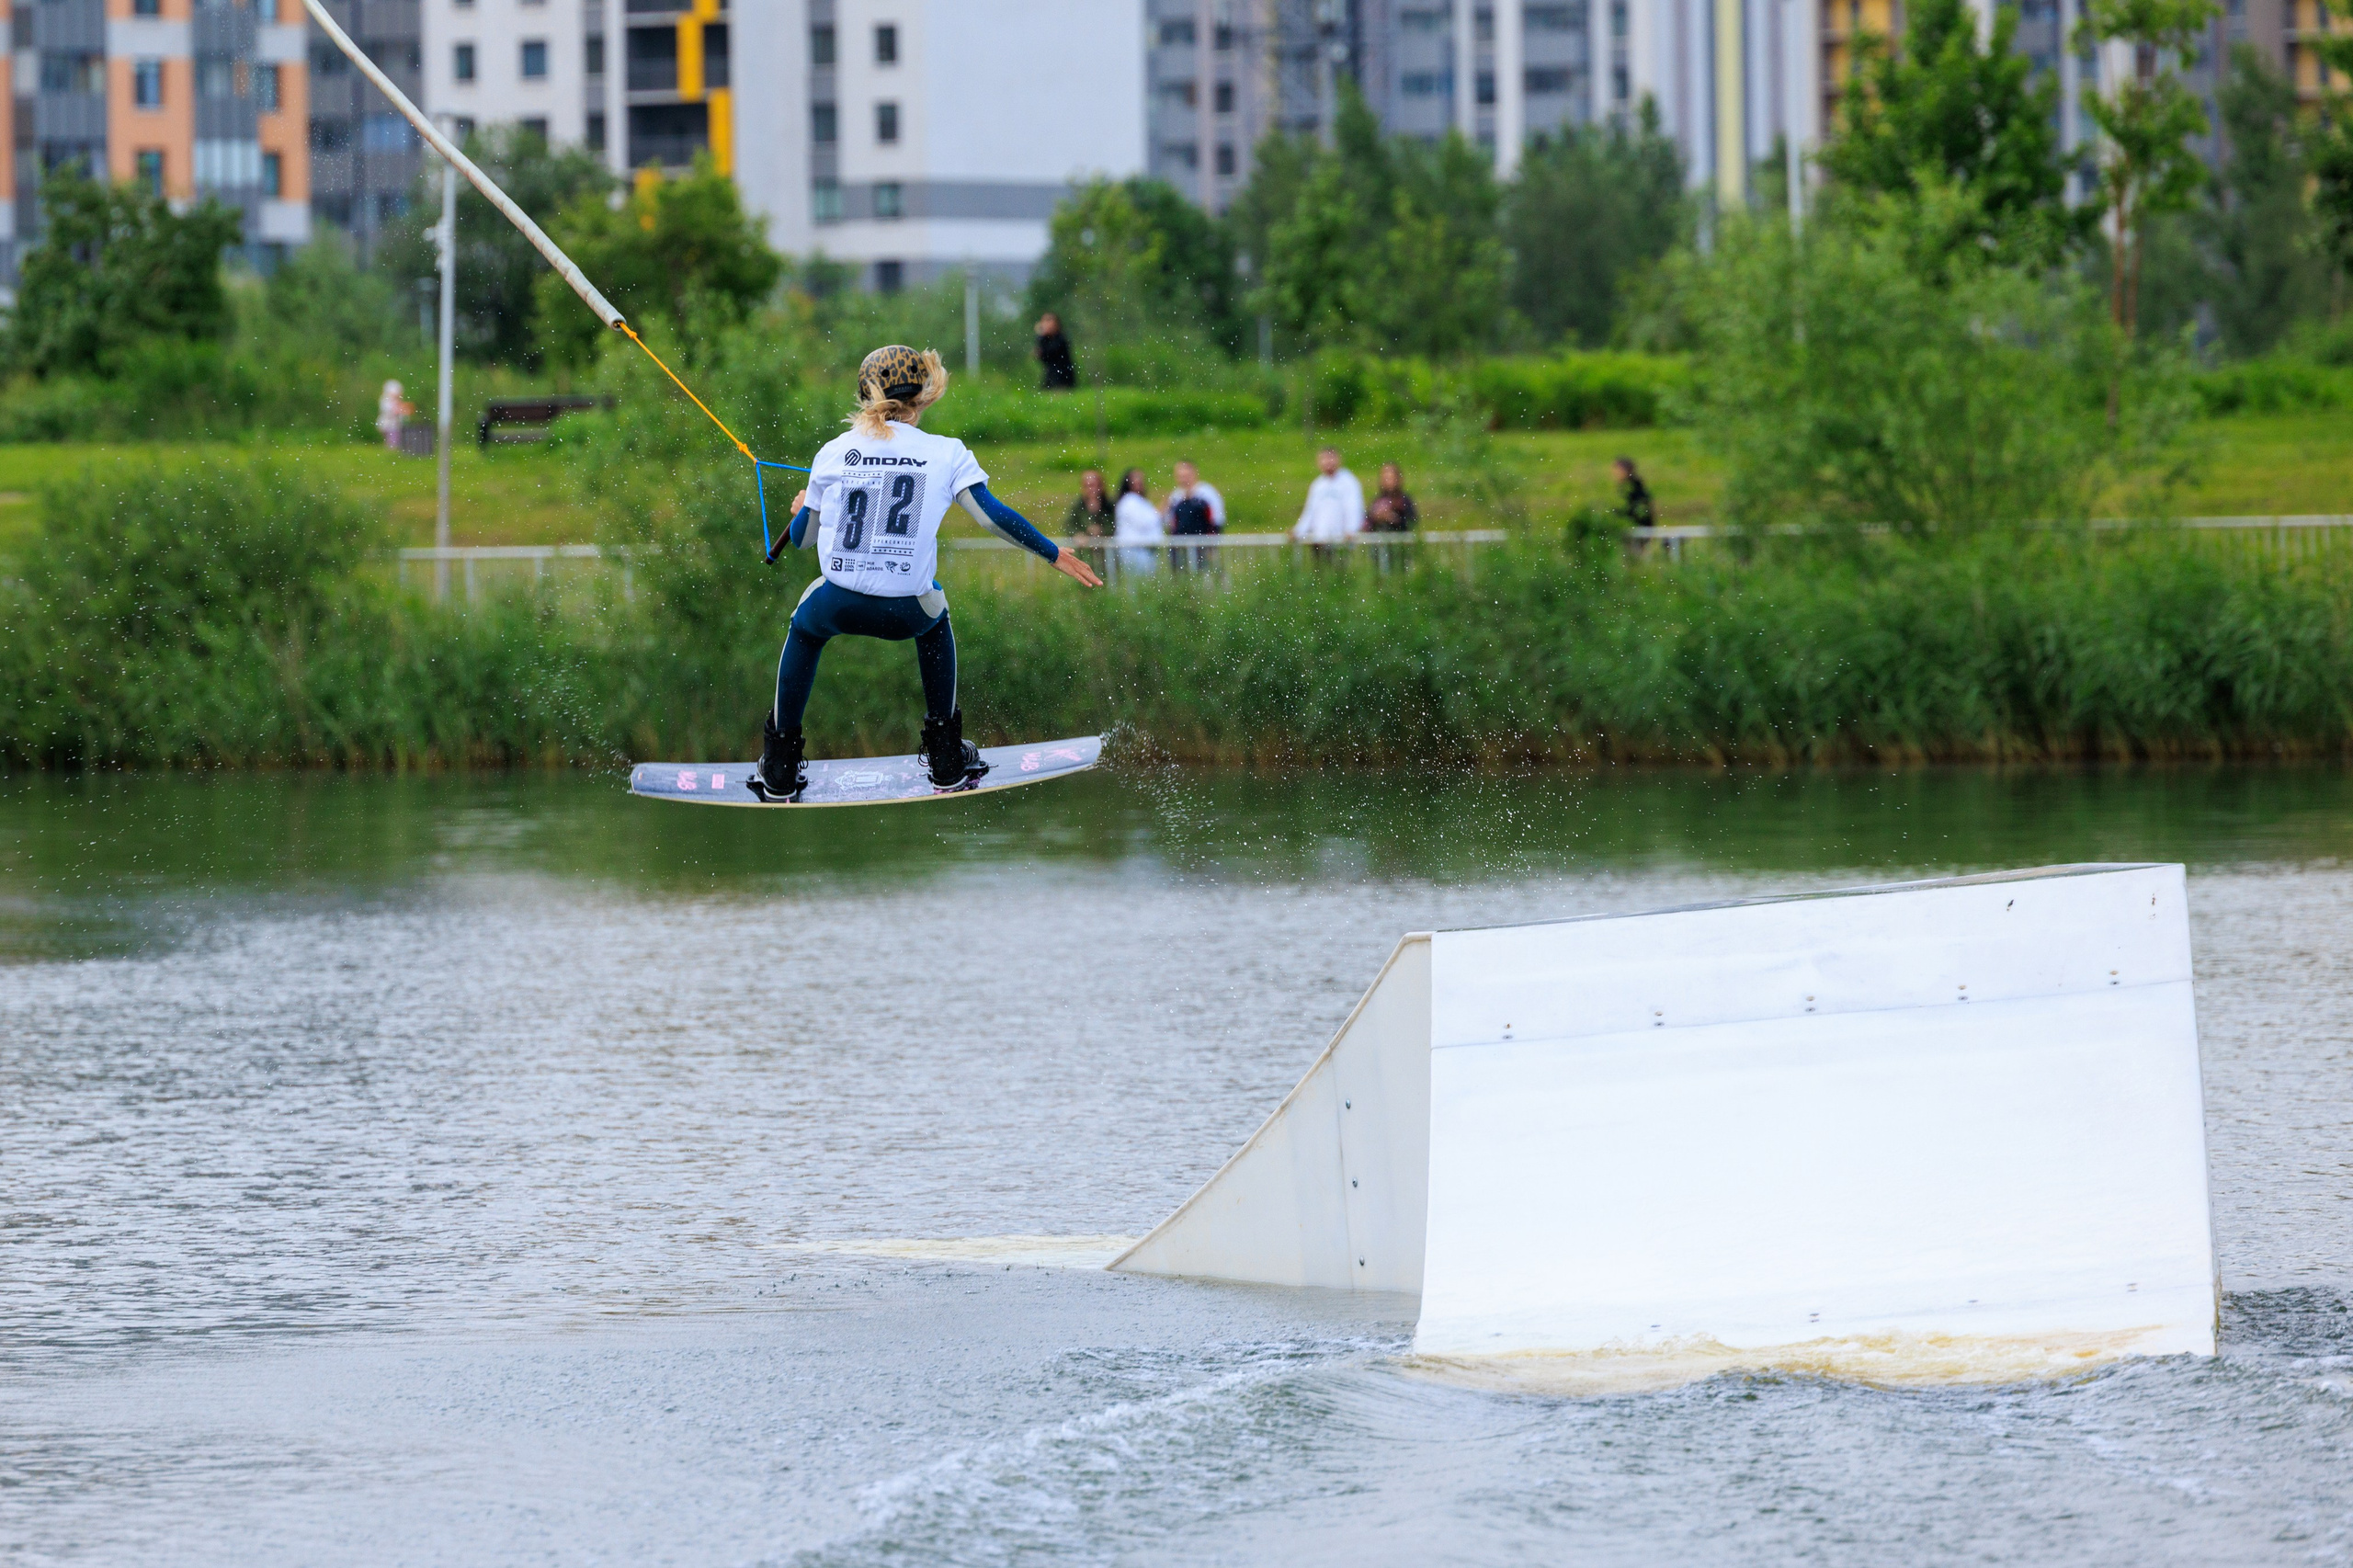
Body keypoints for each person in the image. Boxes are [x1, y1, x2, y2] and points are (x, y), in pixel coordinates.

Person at [757, 345, 1104, 801]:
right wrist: (1052, 553)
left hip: (836, 605)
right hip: (907, 612)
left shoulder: (833, 452)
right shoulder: (947, 453)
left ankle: (780, 764)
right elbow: (992, 517)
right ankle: (945, 757)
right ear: (922, 395)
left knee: (805, 626)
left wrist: (803, 508)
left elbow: (802, 539)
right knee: (935, 612)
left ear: (864, 395)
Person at [1290, 446, 1365, 557]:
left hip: (1341, 540)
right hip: (1319, 540)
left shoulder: (1349, 482)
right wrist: (1298, 531)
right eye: (1324, 459)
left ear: (1338, 459)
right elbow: (1310, 512)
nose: (1328, 462)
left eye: (1331, 458)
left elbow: (1354, 508)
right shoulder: (1318, 485)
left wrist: (1351, 529)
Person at [1164, 459, 1224, 572]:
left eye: (1186, 476)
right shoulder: (1176, 496)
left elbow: (1217, 519)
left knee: (1207, 570)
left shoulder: (1207, 492)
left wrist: (1212, 541)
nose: (1183, 480)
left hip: (1203, 541)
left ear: (1194, 474)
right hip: (1181, 544)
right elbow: (1170, 521)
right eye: (1180, 476)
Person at [1112, 468, 1164, 578]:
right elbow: (1143, 523)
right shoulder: (1129, 501)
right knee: (1137, 582)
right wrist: (1161, 510)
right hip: (1135, 550)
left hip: (1145, 550)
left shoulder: (1141, 501)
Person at [1366, 462, 1418, 532]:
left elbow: (1412, 524)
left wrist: (1394, 519)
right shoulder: (1377, 502)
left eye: (1390, 478)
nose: (1387, 482)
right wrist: (1376, 518)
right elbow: (1367, 525)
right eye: (1385, 478)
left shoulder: (1404, 502)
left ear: (1398, 479)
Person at [1064, 468, 1116, 539]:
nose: (1092, 489)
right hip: (1084, 544)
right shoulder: (1077, 505)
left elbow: (1117, 525)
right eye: (1088, 486)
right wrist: (1077, 534)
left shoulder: (1110, 505)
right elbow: (1069, 525)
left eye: (1096, 485)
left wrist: (1102, 531)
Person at [1034, 312, 1078, 392]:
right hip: (1050, 375)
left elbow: (1051, 352)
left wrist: (1042, 335)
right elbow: (1042, 356)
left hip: (1063, 375)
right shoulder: (1045, 339)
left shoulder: (1061, 338)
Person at [1614, 457, 1655, 529]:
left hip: (1636, 527)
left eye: (1617, 470)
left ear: (1624, 470)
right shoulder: (1637, 485)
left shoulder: (1630, 488)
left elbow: (1629, 509)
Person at [376, 380, 414, 451]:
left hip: (394, 424)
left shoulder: (396, 401)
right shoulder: (385, 401)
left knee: (395, 437)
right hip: (389, 424)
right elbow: (392, 410)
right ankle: (391, 450)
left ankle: (392, 450)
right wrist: (402, 410)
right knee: (393, 439)